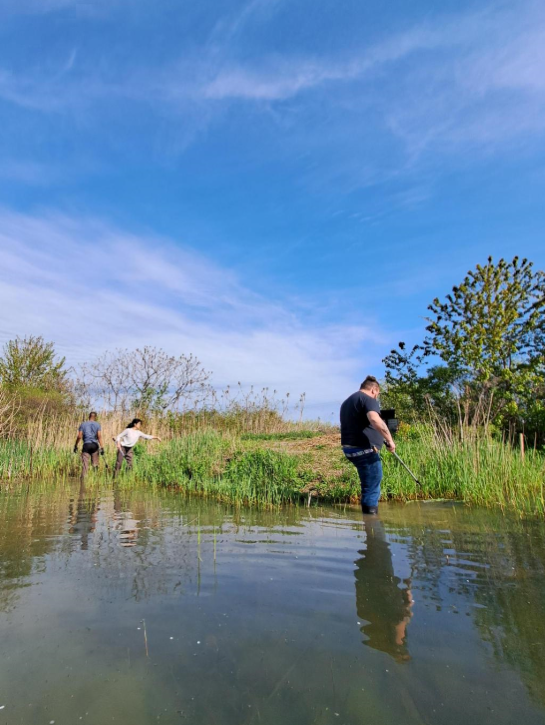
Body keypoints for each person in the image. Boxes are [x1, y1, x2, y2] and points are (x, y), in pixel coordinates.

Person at [340, 375, 396, 514]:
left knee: (368, 485)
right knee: (371, 487)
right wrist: (389, 440)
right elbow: (375, 419)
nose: (377, 397)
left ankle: (369, 521)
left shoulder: (348, 401)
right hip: (365, 451)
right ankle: (372, 524)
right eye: (377, 394)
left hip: (349, 449)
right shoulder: (368, 400)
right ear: (374, 390)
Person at [74, 411, 104, 482]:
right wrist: (102, 447)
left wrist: (75, 445)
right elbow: (99, 436)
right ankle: (95, 480)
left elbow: (79, 436)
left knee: (85, 465)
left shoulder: (83, 424)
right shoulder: (97, 424)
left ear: (89, 416)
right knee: (95, 464)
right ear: (95, 417)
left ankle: (83, 482)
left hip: (86, 445)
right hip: (94, 445)